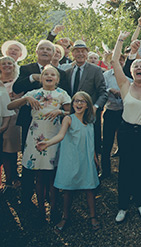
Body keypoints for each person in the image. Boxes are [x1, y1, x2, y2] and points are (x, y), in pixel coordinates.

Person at [8, 66, 71, 220]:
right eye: (45, 74)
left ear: (57, 79)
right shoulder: (33, 93)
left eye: (52, 74)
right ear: (41, 78)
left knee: (52, 175)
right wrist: (25, 99)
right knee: (38, 175)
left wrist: (61, 112)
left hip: (54, 136)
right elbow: (10, 106)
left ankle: (54, 209)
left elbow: (73, 113)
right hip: (35, 136)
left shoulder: (62, 94)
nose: (49, 76)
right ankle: (41, 210)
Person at [35, 91, 100, 231]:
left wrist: (94, 156)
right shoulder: (68, 119)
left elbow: (91, 140)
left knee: (89, 188)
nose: (78, 103)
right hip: (71, 159)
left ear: (88, 105)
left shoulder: (90, 122)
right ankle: (65, 217)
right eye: (76, 101)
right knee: (68, 189)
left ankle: (93, 216)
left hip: (86, 160)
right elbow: (60, 135)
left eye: (82, 101)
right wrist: (47, 143)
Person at [112, 32, 141, 224]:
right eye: (136, 66)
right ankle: (122, 206)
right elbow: (114, 60)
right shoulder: (124, 85)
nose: (138, 68)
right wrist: (121, 40)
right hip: (127, 132)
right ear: (131, 71)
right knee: (126, 169)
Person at [65, 40, 107, 155]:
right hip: (72, 116)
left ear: (87, 53)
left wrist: (95, 107)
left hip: (90, 115)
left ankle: (94, 170)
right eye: (77, 51)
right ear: (72, 54)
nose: (80, 54)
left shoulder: (95, 70)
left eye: (83, 51)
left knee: (92, 146)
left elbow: (103, 93)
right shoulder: (68, 72)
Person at [101, 54, 131, 178]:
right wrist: (110, 90)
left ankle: (124, 172)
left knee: (125, 144)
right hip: (111, 111)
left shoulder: (129, 75)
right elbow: (102, 89)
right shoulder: (106, 75)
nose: (119, 62)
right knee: (107, 144)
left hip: (125, 113)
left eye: (122, 60)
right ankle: (105, 171)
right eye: (116, 60)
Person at [0, 56, 22, 190]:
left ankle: (11, 178)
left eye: (10, 63)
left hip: (13, 119)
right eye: (3, 63)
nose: (7, 65)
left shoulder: (18, 81)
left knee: (10, 150)